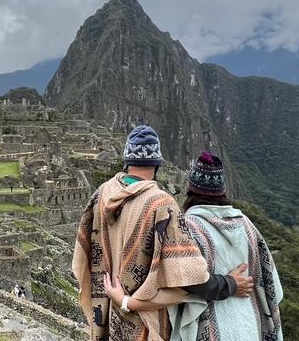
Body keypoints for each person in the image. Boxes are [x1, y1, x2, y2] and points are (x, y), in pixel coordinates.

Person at [73, 125, 253, 341]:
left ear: (127, 160)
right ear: (157, 163)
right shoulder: (161, 204)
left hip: (108, 314)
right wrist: (230, 285)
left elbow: (85, 252)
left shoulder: (101, 194)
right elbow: (188, 277)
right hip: (143, 322)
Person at [167, 152, 283, 341]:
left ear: (190, 188)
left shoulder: (187, 227)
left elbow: (183, 278)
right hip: (250, 326)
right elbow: (270, 283)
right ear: (222, 190)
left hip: (210, 329)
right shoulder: (247, 225)